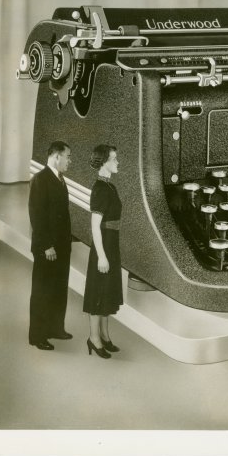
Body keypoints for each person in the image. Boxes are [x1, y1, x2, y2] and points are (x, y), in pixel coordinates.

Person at [28, 140, 73, 351]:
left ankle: (56, 328)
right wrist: (46, 245)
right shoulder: (40, 180)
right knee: (42, 290)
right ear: (56, 156)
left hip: (62, 246)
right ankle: (38, 335)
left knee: (59, 288)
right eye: (67, 157)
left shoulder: (60, 179)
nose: (69, 161)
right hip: (47, 248)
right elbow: (36, 216)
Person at [83, 144, 124, 359]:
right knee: (99, 291)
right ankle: (93, 338)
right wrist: (101, 255)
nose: (117, 163)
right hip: (104, 245)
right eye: (114, 159)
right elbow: (94, 226)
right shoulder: (100, 189)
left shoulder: (109, 186)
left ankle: (105, 336)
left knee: (106, 290)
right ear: (104, 162)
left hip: (111, 243)